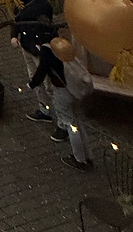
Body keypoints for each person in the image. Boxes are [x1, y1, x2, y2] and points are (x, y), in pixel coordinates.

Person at [29, 37, 92, 169]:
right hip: (75, 91)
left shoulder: (49, 53)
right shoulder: (65, 50)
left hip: (62, 92)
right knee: (79, 124)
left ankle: (79, 160)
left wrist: (31, 84)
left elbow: (41, 72)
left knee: (70, 125)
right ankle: (88, 156)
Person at [13, 0, 56, 121]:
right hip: (27, 47)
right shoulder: (23, 2)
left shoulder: (43, 5)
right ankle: (44, 110)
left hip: (39, 51)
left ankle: (62, 121)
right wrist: (14, 35)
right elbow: (17, 20)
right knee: (34, 79)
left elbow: (46, 26)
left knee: (48, 84)